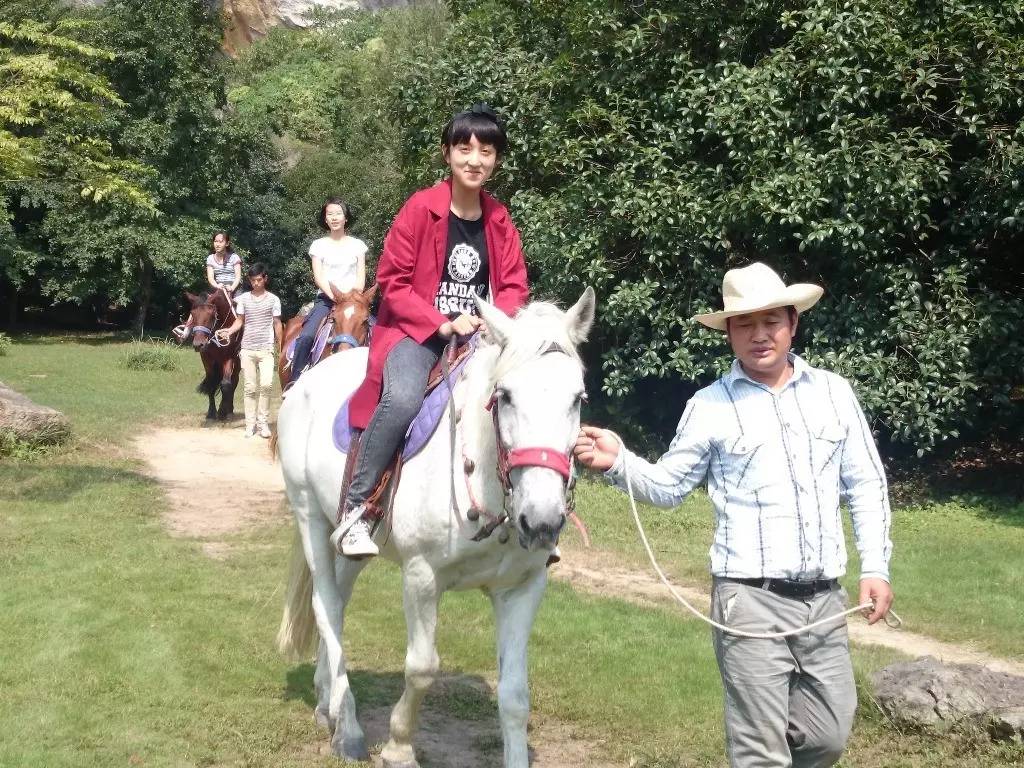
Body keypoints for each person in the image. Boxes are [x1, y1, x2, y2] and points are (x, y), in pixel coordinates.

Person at [574, 262, 894, 768]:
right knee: (761, 752)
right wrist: (619, 462)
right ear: (728, 333)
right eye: (745, 323)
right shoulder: (709, 406)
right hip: (747, 600)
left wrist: (874, 567)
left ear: (793, 323)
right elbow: (670, 486)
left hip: (825, 602)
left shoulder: (835, 392)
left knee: (828, 736)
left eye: (772, 321)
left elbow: (867, 483)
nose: (760, 334)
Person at [331, 102, 529, 558]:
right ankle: (358, 509)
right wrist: (442, 322)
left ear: (496, 159)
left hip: (483, 338)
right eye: (464, 148)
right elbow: (394, 283)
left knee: (531, 396)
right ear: (447, 154)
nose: (474, 159)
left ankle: (531, 514)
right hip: (416, 335)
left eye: (486, 150)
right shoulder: (421, 208)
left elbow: (516, 284)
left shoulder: (499, 218)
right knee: (401, 399)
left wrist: (496, 318)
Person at [289, 197, 368, 383]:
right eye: (330, 214)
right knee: (307, 335)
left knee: (377, 330)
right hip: (327, 299)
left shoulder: (358, 245)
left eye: (338, 213)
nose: (334, 218)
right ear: (325, 219)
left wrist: (350, 298)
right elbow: (319, 277)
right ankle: (295, 380)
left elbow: (360, 276)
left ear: (345, 217)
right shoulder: (318, 245)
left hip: (353, 301)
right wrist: (336, 297)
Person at [217, 263, 283, 438]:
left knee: (267, 385)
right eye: (253, 280)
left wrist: (280, 345)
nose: (256, 283)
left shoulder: (273, 299)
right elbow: (240, 321)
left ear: (265, 279)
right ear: (250, 280)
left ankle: (263, 424)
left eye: (259, 280)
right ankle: (250, 424)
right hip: (247, 348)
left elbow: (277, 324)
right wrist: (229, 331)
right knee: (250, 387)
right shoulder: (244, 299)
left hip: (266, 348)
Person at [206, 231, 242, 296]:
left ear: (227, 243)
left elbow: (238, 277)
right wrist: (217, 286)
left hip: (234, 288)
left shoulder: (234, 257)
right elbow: (210, 278)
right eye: (215, 241)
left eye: (220, 242)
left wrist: (232, 288)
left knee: (239, 303)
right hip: (218, 287)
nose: (217, 244)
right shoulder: (210, 258)